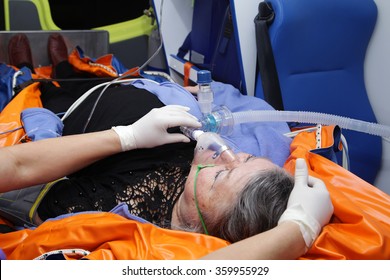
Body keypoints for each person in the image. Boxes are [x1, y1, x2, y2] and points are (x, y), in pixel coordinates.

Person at [1, 34, 334, 258]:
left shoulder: (140, 241)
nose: (225, 154)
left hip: (62, 121)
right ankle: (61, 66)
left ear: (200, 227)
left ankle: (25, 74)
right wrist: (189, 94)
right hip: (111, 87)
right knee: (75, 74)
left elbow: (19, 169)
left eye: (219, 177)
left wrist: (124, 138)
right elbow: (266, 117)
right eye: (244, 157)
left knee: (36, 87)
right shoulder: (257, 158)